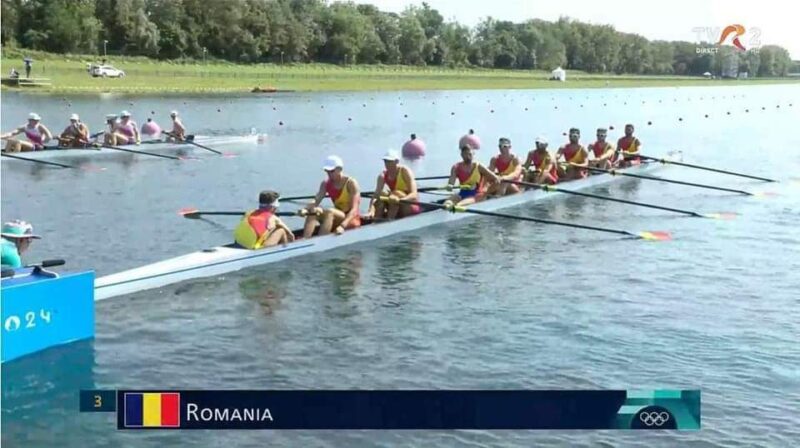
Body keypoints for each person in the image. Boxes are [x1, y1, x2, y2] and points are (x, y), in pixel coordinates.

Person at [302, 156, 362, 238]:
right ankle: (305, 240)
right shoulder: (325, 184)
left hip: (351, 220)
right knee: (314, 210)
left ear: (339, 169)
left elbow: (354, 209)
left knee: (330, 211)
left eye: (332, 171)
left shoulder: (351, 183)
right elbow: (316, 201)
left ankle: (320, 241)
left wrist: (342, 226)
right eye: (327, 171)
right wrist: (305, 209)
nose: (329, 174)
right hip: (337, 217)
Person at [368, 150, 420, 221]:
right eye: (385, 161)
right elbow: (376, 195)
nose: (387, 164)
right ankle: (376, 221)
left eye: (389, 161)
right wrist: (371, 209)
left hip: (410, 206)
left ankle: (389, 222)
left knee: (396, 193)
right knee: (382, 194)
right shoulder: (382, 175)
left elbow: (414, 194)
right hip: (395, 204)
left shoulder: (404, 171)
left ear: (397, 161)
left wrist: (400, 200)